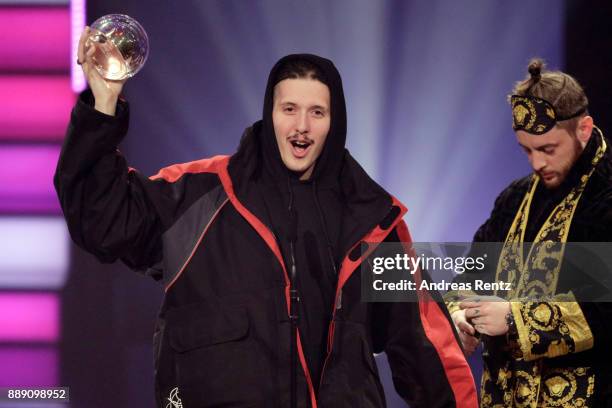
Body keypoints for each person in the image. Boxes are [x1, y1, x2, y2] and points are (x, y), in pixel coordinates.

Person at [55, 28, 477, 407]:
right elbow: (103, 220)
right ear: (269, 113)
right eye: (289, 108)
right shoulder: (201, 195)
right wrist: (104, 101)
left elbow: (427, 348)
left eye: (317, 112)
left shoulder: (371, 220)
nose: (301, 126)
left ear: (336, 122)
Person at [447, 59, 612, 407]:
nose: (537, 164)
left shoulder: (605, 197)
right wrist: (461, 316)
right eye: (527, 150)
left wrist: (512, 317)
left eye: (548, 150)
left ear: (583, 129)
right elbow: (473, 274)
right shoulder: (516, 197)